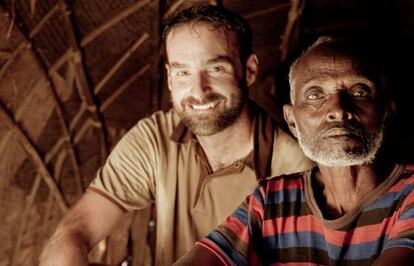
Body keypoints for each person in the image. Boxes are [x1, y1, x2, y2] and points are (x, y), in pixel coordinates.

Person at [39, 4, 312, 266]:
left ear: (249, 70)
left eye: (216, 69)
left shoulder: (296, 170)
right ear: (170, 78)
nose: (199, 90)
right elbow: (76, 230)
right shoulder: (155, 137)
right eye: (183, 73)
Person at [174, 36, 414, 265]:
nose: (339, 110)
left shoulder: (410, 192)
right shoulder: (270, 199)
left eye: (359, 92)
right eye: (315, 94)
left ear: (387, 112)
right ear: (292, 121)